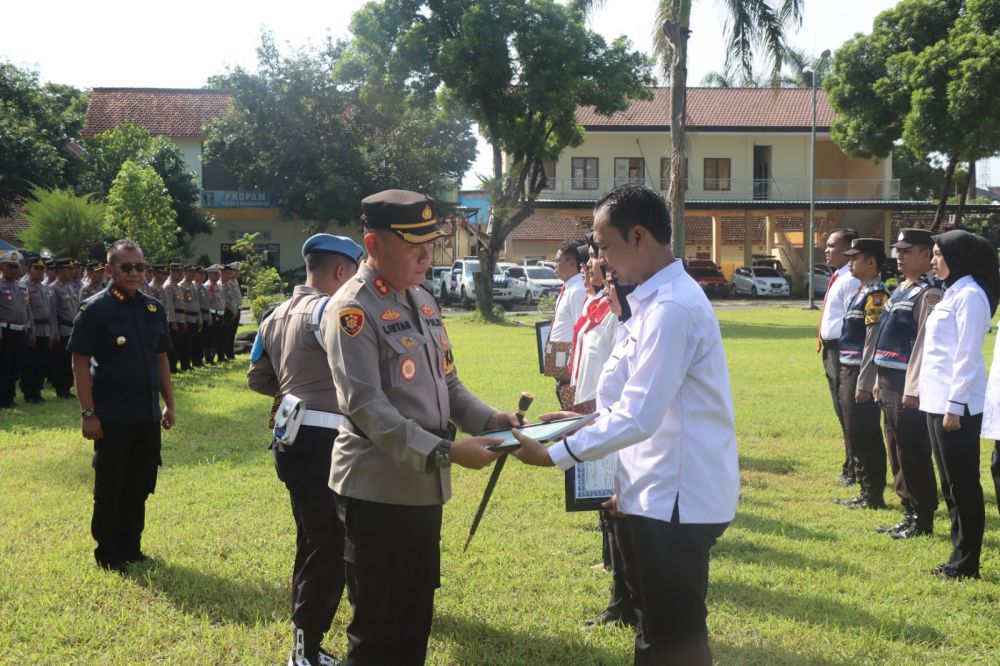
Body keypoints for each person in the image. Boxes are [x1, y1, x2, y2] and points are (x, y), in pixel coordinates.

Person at [513, 184, 740, 665]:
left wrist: (555, 454)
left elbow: (639, 415)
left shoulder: (671, 308)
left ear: (638, 236)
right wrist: (579, 422)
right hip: (653, 490)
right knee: (653, 627)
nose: (600, 259)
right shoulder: (651, 303)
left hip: (676, 498)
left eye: (604, 245)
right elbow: (635, 400)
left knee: (674, 638)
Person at [321, 189, 518, 665]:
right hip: (377, 493)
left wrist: (492, 420)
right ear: (373, 245)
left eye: (430, 242)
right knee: (378, 628)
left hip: (423, 491)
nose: (426, 255)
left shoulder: (423, 301)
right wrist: (447, 452)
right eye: (413, 244)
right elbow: (367, 407)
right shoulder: (351, 310)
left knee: (415, 619)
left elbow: (448, 383)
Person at [249, 234, 364, 666]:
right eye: (354, 273)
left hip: (291, 438)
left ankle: (305, 638)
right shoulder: (331, 310)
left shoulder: (273, 315)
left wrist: (294, 390)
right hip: (327, 441)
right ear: (340, 272)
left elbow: (257, 378)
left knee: (313, 537)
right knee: (330, 544)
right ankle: (306, 648)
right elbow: (360, 373)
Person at [67, 239, 175, 572]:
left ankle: (131, 546)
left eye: (139, 266)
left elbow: (161, 358)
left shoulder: (153, 308)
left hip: (146, 414)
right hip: (112, 416)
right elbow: (80, 362)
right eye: (126, 266)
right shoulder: (95, 309)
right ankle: (108, 550)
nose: (134, 272)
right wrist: (88, 414)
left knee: (140, 482)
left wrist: (169, 404)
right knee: (111, 484)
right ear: (109, 269)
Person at [919, 229, 998, 580]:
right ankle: (957, 556)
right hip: (937, 402)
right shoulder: (953, 292)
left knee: (963, 485)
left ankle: (968, 563)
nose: (933, 260)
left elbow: (966, 357)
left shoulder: (971, 295)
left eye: (938, 253)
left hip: (958, 406)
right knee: (949, 484)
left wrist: (953, 406)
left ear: (958, 257)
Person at [871, 229, 942, 537]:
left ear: (927, 254)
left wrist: (913, 387)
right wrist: (877, 377)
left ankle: (923, 515)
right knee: (895, 447)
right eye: (897, 250)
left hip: (906, 382)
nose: (899, 255)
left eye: (907, 250)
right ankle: (907, 510)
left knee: (912, 449)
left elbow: (924, 344)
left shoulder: (929, 293)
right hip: (888, 377)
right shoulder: (901, 288)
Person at [833, 238, 889, 510]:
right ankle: (864, 488)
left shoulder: (876, 295)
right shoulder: (860, 291)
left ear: (871, 262)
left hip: (859, 372)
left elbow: (872, 341)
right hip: (847, 368)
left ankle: (874, 494)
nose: (850, 262)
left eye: (856, 258)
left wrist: (865, 383)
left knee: (866, 433)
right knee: (854, 431)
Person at [818, 228, 862, 486]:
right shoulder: (839, 276)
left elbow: (852, 321)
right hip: (830, 349)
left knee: (847, 411)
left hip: (842, 350)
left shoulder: (851, 280)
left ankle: (854, 468)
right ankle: (850, 464)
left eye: (833, 245)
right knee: (840, 409)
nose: (827, 249)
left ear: (849, 249)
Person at [548, 239, 587, 407]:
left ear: (572, 263)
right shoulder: (569, 288)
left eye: (558, 261)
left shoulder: (578, 290)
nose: (554, 265)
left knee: (572, 414)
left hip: (569, 369)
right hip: (560, 364)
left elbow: (581, 332)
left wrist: (570, 366)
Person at [0, 250, 35, 409]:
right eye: (10, 266)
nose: (14, 270)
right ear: (2, 267)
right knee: (4, 366)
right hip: (4, 332)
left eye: (16, 266)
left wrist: (31, 331)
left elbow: (28, 311)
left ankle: (10, 396)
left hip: (20, 331)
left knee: (16, 366)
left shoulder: (22, 287)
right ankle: (3, 399)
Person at [21, 254, 56, 404]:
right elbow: (26, 312)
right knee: (30, 364)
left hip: (45, 330)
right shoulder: (24, 286)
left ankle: (37, 391)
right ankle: (29, 392)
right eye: (37, 269)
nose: (40, 272)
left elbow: (50, 313)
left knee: (43, 363)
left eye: (42, 269)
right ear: (29, 269)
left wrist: (51, 333)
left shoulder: (45, 288)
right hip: (32, 330)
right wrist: (31, 332)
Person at [50, 258, 80, 398]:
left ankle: (67, 388)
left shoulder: (70, 286)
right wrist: (55, 333)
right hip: (62, 330)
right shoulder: (53, 288)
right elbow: (53, 313)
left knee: (70, 361)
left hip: (72, 329)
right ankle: (60, 389)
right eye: (68, 269)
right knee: (61, 361)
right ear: (61, 271)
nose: (71, 272)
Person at [163, 263, 187, 373]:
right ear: (172, 272)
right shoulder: (168, 286)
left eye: (181, 272)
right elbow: (169, 305)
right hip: (175, 319)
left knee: (180, 344)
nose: (181, 274)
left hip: (181, 318)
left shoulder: (176, 286)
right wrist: (173, 322)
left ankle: (174, 366)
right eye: (179, 272)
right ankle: (172, 367)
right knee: (174, 344)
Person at [205, 265, 226, 364]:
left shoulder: (218, 285)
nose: (218, 276)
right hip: (213, 314)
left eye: (218, 273)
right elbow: (207, 303)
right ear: (209, 274)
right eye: (216, 273)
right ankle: (210, 358)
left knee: (220, 337)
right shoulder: (208, 286)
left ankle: (221, 356)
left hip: (220, 314)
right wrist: (209, 317)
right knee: (212, 338)